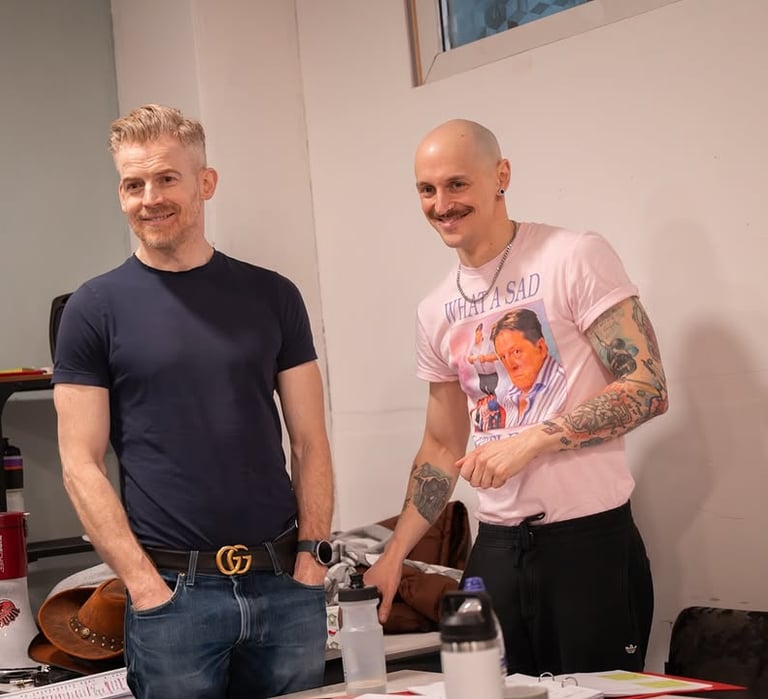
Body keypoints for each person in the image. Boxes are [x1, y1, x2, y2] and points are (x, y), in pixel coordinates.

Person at [365, 119, 668, 676]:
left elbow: (646, 387)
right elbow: (441, 445)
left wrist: (532, 441)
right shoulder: (434, 310)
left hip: (588, 544)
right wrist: (394, 554)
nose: (441, 205)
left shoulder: (572, 255)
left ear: (501, 175)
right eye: (427, 189)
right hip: (498, 549)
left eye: (457, 184)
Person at [51, 104, 334, 698]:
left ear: (205, 182)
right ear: (121, 193)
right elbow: (80, 464)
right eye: (133, 184)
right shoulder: (92, 310)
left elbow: (310, 441)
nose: (149, 198)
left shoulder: (274, 295)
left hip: (284, 584)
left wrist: (312, 560)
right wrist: (143, 585)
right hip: (172, 596)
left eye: (166, 178)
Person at [490, 307, 567, 427]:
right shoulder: (509, 397)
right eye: (503, 357)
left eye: (516, 352)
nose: (510, 365)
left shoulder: (565, 384)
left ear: (541, 348)